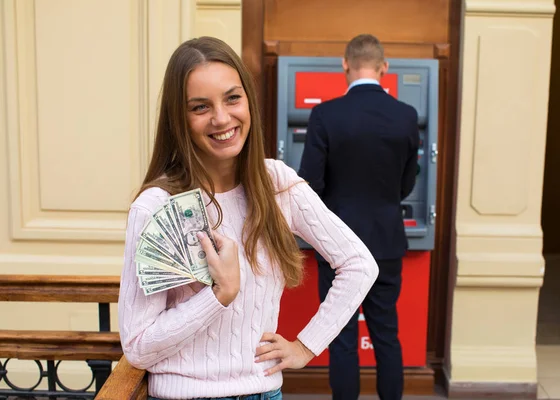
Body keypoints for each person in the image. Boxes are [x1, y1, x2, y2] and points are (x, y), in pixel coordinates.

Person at [117, 36, 378, 400]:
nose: (222, 118)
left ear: (248, 101)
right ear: (179, 118)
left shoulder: (278, 184)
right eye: (200, 107)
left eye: (232, 98)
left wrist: (305, 346)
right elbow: (139, 347)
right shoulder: (156, 206)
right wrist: (218, 295)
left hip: (264, 392)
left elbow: (359, 264)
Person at [298, 34, 420, 400]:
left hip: (339, 247)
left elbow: (310, 185)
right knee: (385, 333)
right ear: (384, 68)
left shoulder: (325, 115)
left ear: (344, 65)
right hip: (386, 241)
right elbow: (407, 181)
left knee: (343, 337)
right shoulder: (406, 116)